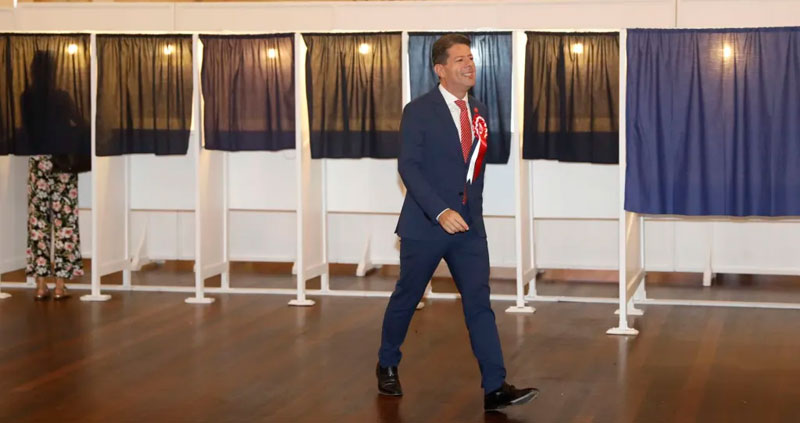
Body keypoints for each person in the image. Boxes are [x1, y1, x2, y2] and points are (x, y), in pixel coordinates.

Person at [376, 34, 538, 412]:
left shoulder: (478, 111)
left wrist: (470, 215)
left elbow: (473, 172)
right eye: (460, 60)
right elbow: (408, 167)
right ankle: (387, 363)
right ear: (440, 69)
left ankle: (495, 387)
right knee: (408, 297)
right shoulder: (418, 110)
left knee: (479, 304)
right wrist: (440, 211)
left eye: (471, 59)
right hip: (426, 225)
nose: (469, 65)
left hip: (469, 229)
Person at [21, 50, 87, 301]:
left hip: (38, 161)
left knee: (38, 221)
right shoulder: (62, 96)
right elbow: (79, 121)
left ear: (32, 71)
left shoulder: (26, 97)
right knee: (64, 222)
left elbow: (27, 128)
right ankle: (60, 285)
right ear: (54, 71)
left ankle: (40, 284)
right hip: (62, 161)